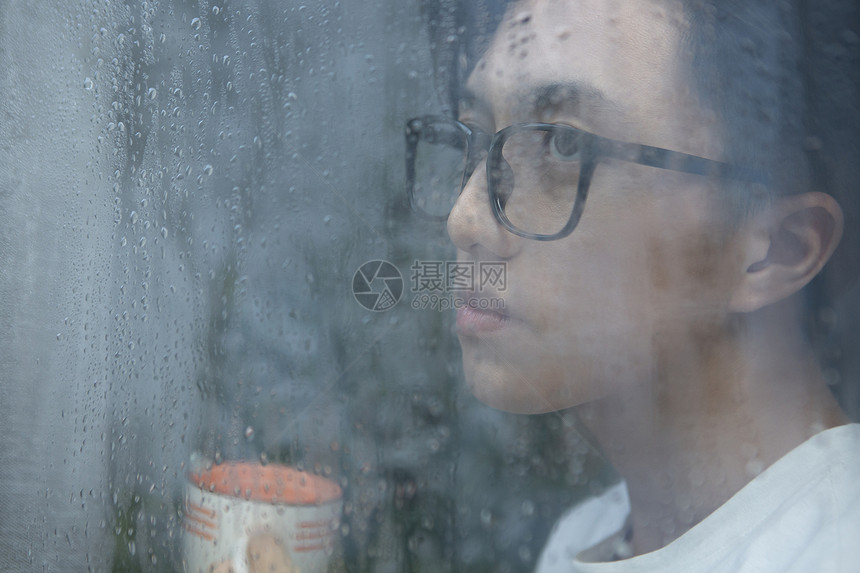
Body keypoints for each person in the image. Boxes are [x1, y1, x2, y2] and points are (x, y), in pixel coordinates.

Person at [406, 0, 860, 570]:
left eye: (562, 143)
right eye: (476, 134)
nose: (465, 218)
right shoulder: (587, 537)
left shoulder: (832, 550)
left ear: (774, 248)